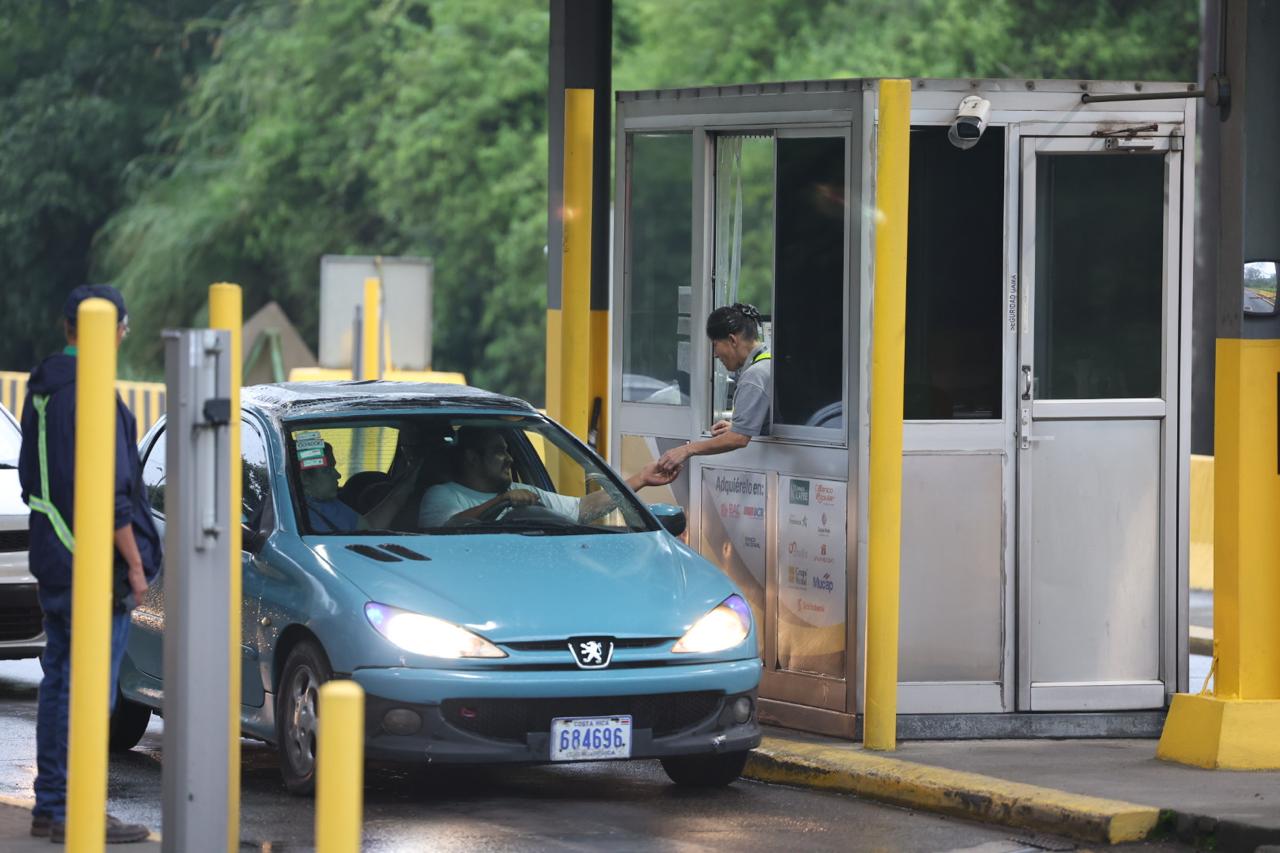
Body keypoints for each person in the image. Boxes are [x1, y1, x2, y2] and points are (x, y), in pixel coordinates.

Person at [19, 285, 158, 844]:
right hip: (92, 563)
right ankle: (81, 814)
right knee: (92, 693)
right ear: (113, 329)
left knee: (58, 685)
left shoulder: (45, 391)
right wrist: (136, 567)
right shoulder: (96, 393)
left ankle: (52, 807)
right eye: (123, 328)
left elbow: (40, 477)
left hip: (52, 556)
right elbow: (112, 496)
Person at [417, 426, 677, 528]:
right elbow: (447, 529)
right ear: (472, 458)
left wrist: (640, 479)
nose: (509, 459)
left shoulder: (525, 492)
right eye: (499, 452)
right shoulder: (442, 495)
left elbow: (582, 509)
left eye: (509, 451)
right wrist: (502, 502)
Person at [657, 303, 771, 474]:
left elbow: (738, 439)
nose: (715, 355)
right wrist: (738, 425)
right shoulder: (768, 361)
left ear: (732, 340)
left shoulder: (755, 375)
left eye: (715, 345)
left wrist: (686, 450)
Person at [295, 438, 424, 532]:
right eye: (327, 470)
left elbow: (368, 528)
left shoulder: (329, 503)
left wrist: (406, 486)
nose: (338, 475)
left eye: (334, 468)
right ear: (304, 478)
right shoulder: (296, 518)